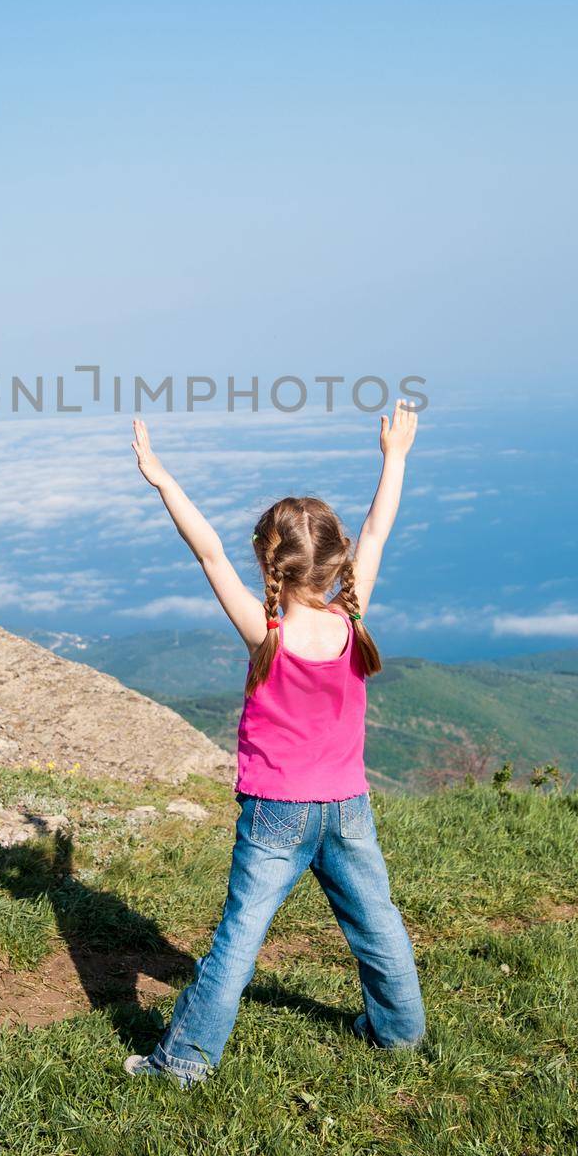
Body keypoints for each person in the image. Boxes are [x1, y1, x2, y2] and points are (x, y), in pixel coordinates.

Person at [124, 403, 426, 1085]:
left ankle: (183, 1064)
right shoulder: (351, 619)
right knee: (378, 924)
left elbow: (205, 549)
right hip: (348, 805)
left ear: (271, 563)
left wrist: (163, 477)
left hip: (275, 813)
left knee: (238, 939)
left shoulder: (267, 632)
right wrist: (395, 457)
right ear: (334, 563)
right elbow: (379, 530)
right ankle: (401, 1035)